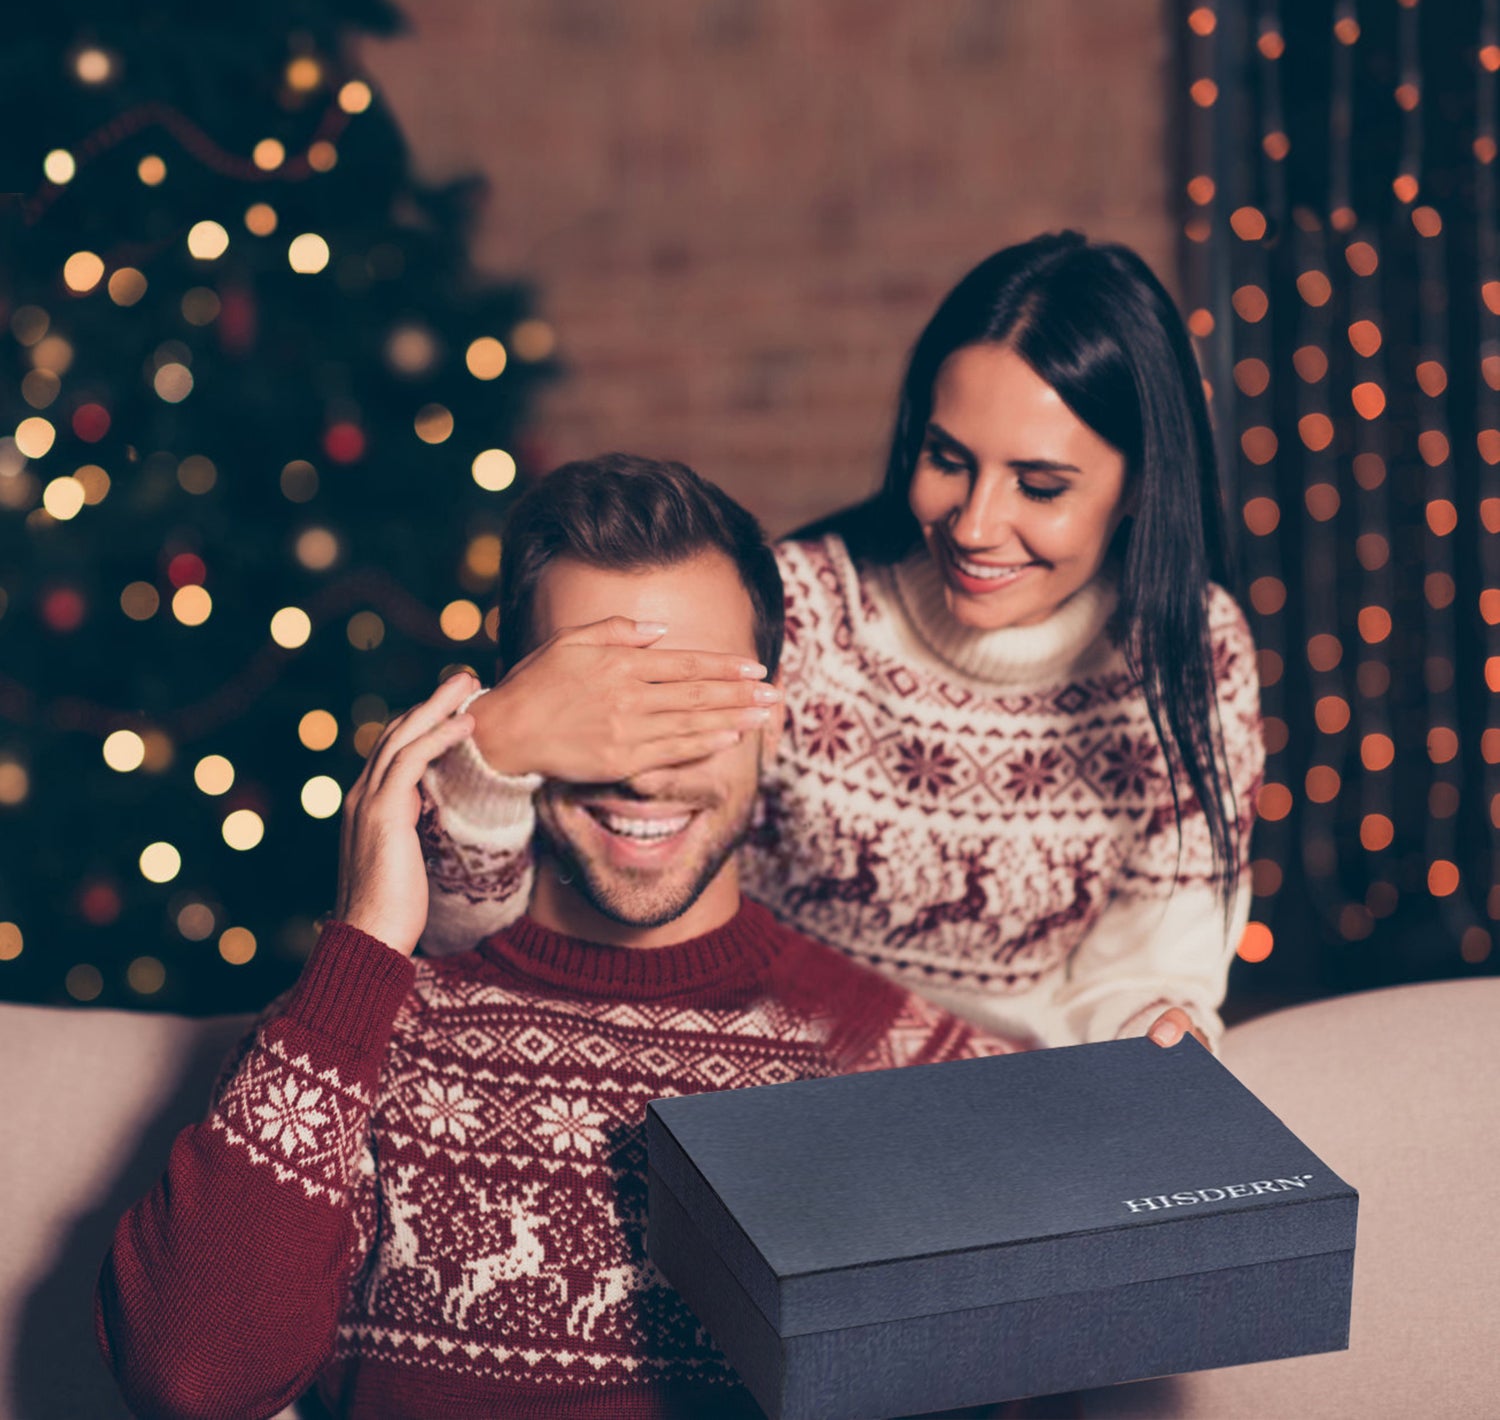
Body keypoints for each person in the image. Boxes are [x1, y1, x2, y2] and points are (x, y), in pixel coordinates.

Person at [94, 458, 1017, 1420]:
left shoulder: (894, 1055)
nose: (641, 774)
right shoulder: (364, 1026)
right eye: (597, 713)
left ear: (773, 726)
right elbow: (189, 1379)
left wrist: (1172, 1092)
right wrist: (367, 936)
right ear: (519, 721)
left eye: (688, 708)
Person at [419, 231, 1265, 1053]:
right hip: (778, 1081)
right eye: (947, 459)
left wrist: (1148, 1041)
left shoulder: (1197, 653)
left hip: (1026, 1103)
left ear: (1141, 487)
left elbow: (1152, 967)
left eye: (1039, 486)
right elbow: (517, 915)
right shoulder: (805, 612)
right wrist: (491, 758)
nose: (974, 525)